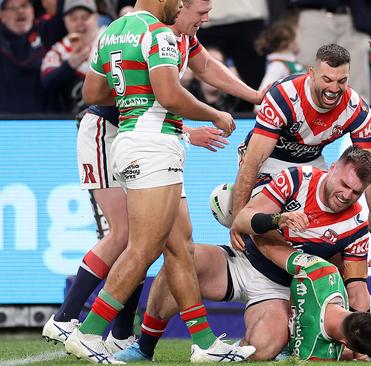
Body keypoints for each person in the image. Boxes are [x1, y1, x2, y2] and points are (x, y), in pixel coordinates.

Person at [62, 0, 258, 362]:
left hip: (135, 140)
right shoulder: (158, 33)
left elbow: (92, 93)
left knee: (180, 247)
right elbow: (170, 96)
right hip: (153, 145)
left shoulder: (113, 32)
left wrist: (132, 99)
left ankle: (204, 343)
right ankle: (88, 330)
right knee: (143, 248)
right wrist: (216, 113)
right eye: (187, 5)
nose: (193, 11)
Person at [115, 147, 371, 361]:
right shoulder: (296, 180)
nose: (346, 196)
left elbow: (357, 286)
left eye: (355, 193)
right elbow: (241, 220)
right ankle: (145, 345)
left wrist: (359, 329)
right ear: (333, 168)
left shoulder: (353, 224)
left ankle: (315, 341)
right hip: (245, 263)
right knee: (183, 257)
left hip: (289, 293)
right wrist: (278, 220)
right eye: (344, 184)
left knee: (264, 348)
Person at [231, 43, 371, 268]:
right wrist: (239, 218)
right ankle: (305, 271)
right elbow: (253, 161)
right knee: (268, 226)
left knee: (333, 237)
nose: (334, 89)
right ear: (312, 74)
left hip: (311, 162)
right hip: (270, 160)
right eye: (327, 80)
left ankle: (340, 294)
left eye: (341, 81)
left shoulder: (356, 110)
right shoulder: (284, 95)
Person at [0, 0, 66, 112]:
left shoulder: (47, 31)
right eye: (12, 8)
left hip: (47, 123)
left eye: (24, 5)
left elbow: (63, 12)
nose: (20, 11)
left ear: (32, 10)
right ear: (2, 15)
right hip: (4, 123)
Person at [41, 0, 101, 113]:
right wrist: (69, 65)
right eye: (73, 19)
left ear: (96, 18)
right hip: (69, 121)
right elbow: (47, 83)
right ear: (65, 22)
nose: (79, 23)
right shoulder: (59, 51)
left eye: (85, 17)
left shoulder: (110, 40)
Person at [253, 18, 304, 113]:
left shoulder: (291, 63)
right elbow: (262, 95)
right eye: (298, 38)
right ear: (289, 43)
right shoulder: (278, 66)